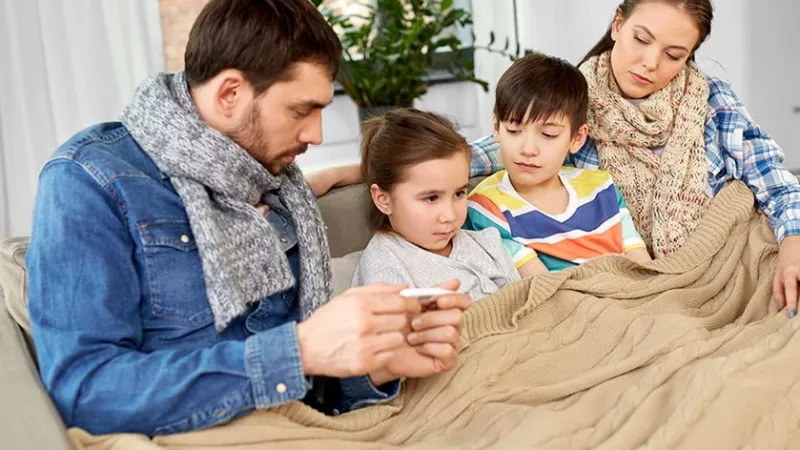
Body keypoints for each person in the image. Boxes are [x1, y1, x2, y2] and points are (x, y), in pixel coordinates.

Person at [26, 0, 469, 437]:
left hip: (311, 429)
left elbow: (312, 384)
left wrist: (378, 368)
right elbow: (86, 392)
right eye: (302, 110)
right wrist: (295, 352)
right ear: (230, 94)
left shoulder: (280, 184)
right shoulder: (90, 180)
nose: (316, 134)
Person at [465, 0, 800, 317]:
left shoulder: (711, 99)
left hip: (729, 263)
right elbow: (510, 141)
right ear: (617, 24)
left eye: (673, 55)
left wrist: (793, 239)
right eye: (641, 39)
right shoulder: (572, 103)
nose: (650, 62)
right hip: (639, 285)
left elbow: (774, 180)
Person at [466, 53, 651, 276]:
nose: (528, 149)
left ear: (577, 138)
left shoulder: (601, 188)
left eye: (549, 134)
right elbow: (543, 288)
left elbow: (642, 266)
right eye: (514, 131)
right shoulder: (486, 207)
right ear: (496, 128)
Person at [351, 108, 519, 300]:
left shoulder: (487, 244)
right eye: (431, 198)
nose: (450, 216)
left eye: (459, 194)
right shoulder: (384, 268)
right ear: (383, 200)